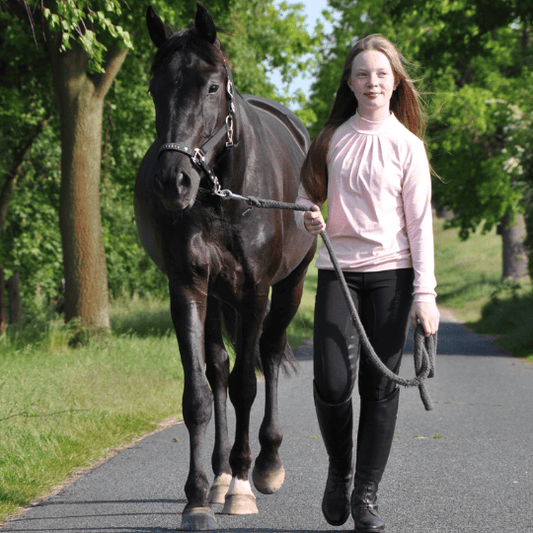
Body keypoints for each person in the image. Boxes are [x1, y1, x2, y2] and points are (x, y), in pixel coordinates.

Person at [296, 34, 440, 532]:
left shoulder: (408, 146)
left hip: (393, 275)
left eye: (381, 73)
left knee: (379, 388)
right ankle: (340, 472)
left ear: (395, 80)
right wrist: (308, 218)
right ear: (350, 82)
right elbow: (303, 203)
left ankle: (366, 496)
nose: (372, 81)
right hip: (339, 272)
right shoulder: (331, 139)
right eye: (362, 73)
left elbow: (420, 225)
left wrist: (426, 295)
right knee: (332, 384)